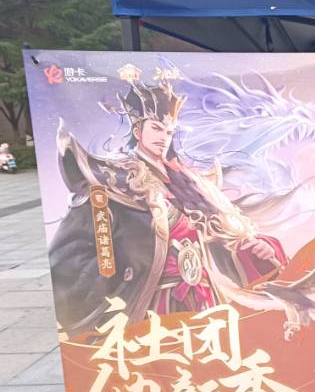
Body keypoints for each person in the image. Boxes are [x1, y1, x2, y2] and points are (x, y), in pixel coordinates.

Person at [50, 71, 288, 336]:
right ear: (138, 130)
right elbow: (71, 253)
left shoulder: (190, 183)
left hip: (205, 295)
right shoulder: (116, 180)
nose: (163, 137)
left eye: (168, 131)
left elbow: (223, 240)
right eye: (156, 128)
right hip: (152, 300)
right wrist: (126, 267)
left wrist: (255, 248)